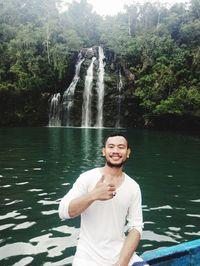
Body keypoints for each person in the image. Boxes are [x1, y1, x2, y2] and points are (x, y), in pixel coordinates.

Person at [58, 132, 148, 266]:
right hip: (87, 257)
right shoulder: (87, 178)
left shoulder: (133, 187)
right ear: (104, 151)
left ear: (128, 152)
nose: (116, 151)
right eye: (111, 147)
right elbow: (64, 212)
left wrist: (121, 263)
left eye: (121, 147)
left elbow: (136, 227)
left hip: (120, 255)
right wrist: (93, 195)